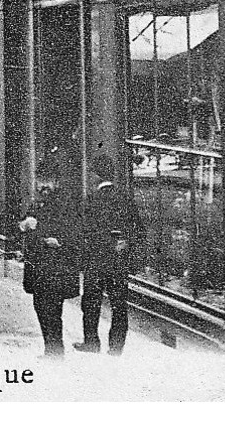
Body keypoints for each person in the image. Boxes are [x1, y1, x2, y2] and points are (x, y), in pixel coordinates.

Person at [75, 153, 144, 355]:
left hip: (95, 260)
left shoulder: (91, 200)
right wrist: (126, 242)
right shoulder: (124, 199)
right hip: (117, 260)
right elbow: (138, 229)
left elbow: (83, 231)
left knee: (90, 303)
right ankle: (116, 348)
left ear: (96, 176)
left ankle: (91, 343)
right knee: (119, 305)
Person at [20, 170, 82, 357]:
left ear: (56, 181)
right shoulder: (36, 204)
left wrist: (56, 240)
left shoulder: (64, 205)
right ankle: (51, 349)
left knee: (53, 311)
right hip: (39, 268)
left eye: (47, 181)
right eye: (40, 182)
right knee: (40, 308)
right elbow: (26, 227)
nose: (43, 186)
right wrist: (24, 225)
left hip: (57, 268)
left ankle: (55, 351)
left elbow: (72, 233)